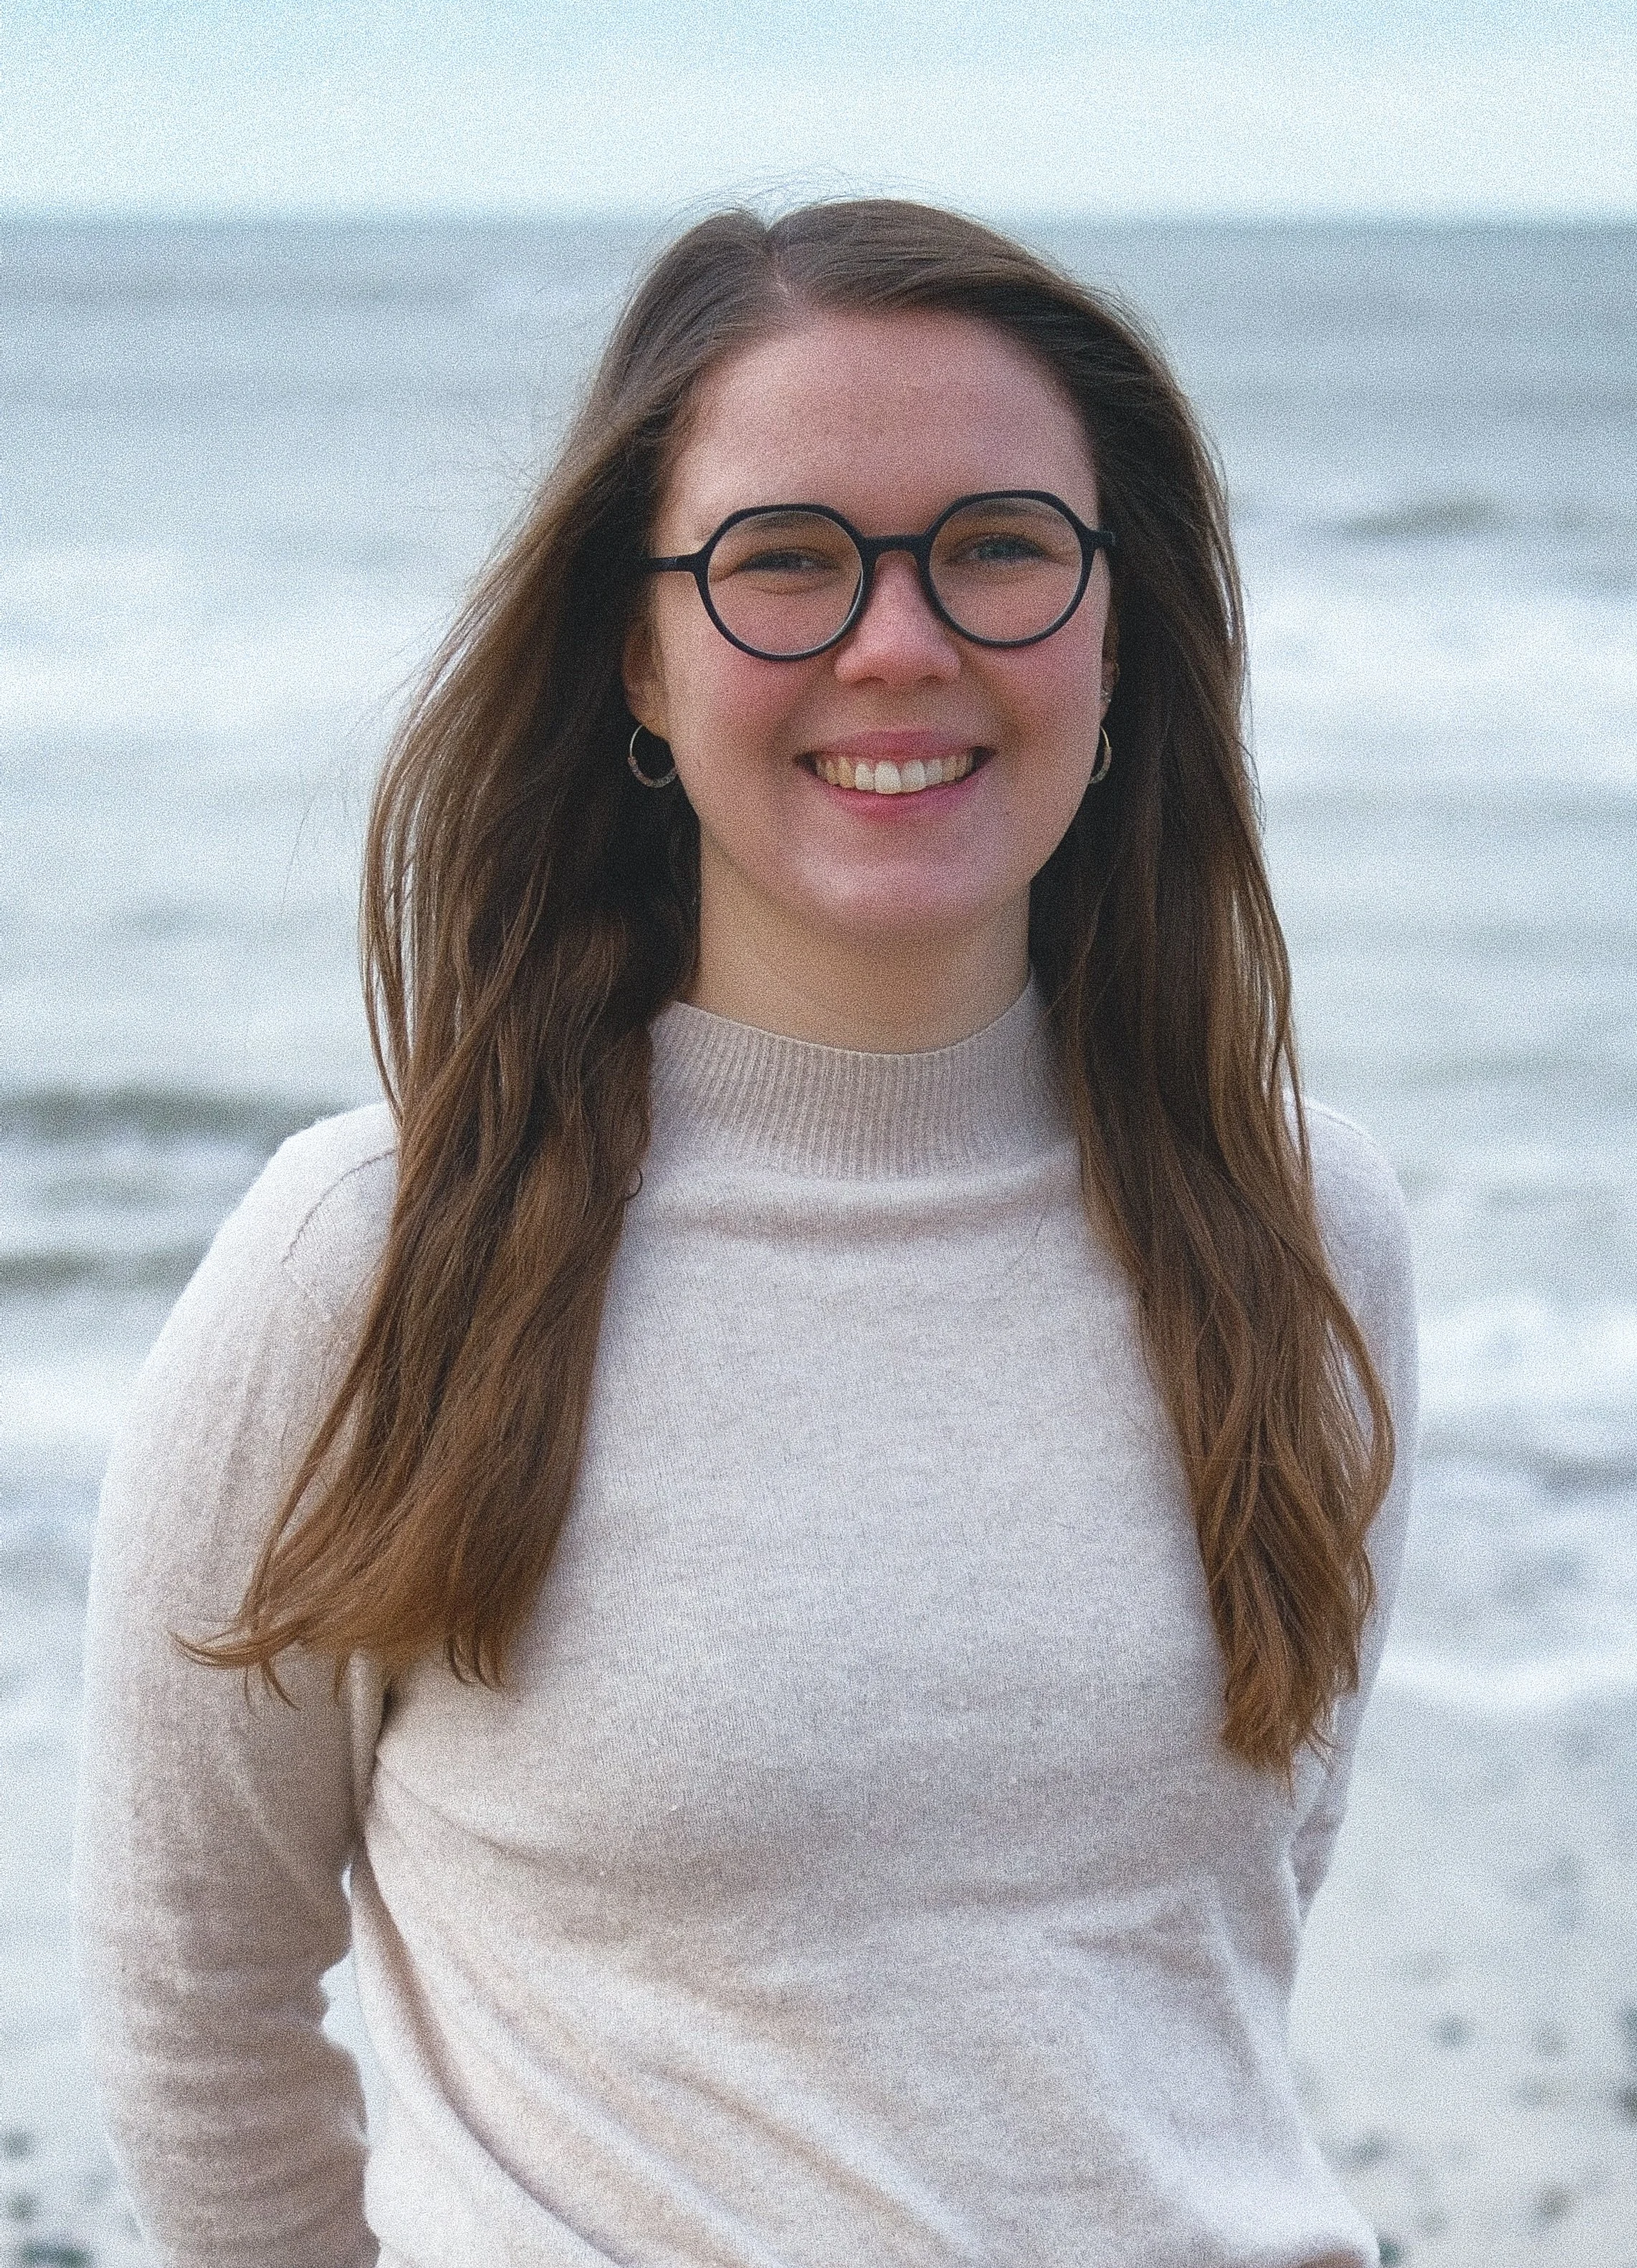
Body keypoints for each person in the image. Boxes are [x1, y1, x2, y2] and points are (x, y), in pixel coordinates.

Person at [75, 199, 1417, 2268]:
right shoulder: (371, 1261)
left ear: (1117, 622)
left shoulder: (1305, 1237)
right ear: (641, 644)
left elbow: (1195, 1980)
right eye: (786, 558)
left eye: (999, 546)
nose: (901, 642)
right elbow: (201, 2006)